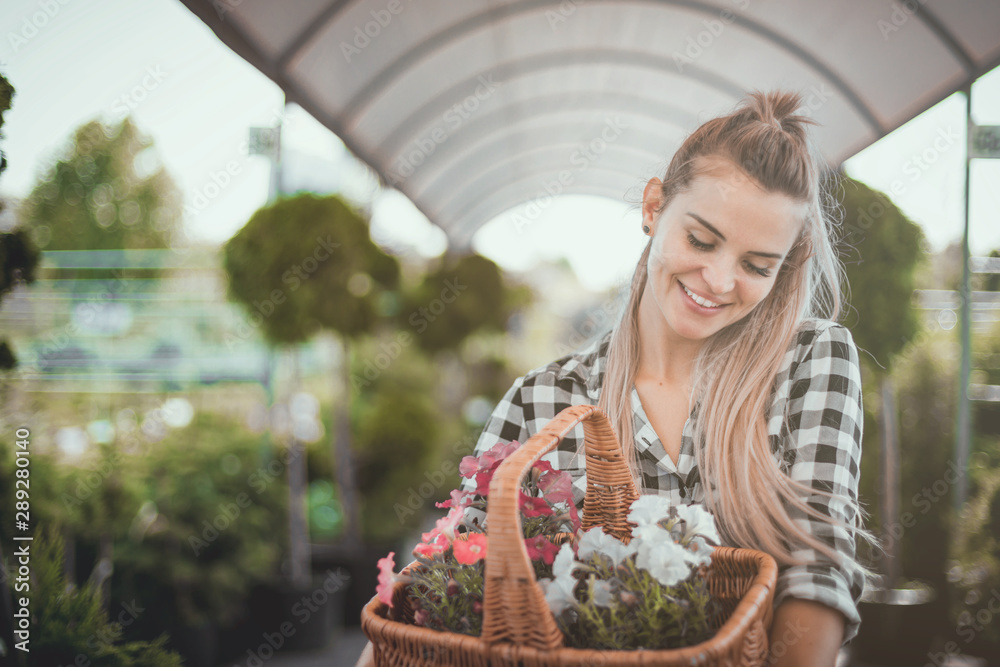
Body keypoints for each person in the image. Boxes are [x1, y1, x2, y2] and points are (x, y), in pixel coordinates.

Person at [357, 89, 879, 667]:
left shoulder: (810, 360)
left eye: (757, 266)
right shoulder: (544, 398)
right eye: (701, 240)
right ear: (654, 207)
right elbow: (451, 578)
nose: (719, 280)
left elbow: (817, 572)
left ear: (787, 264)